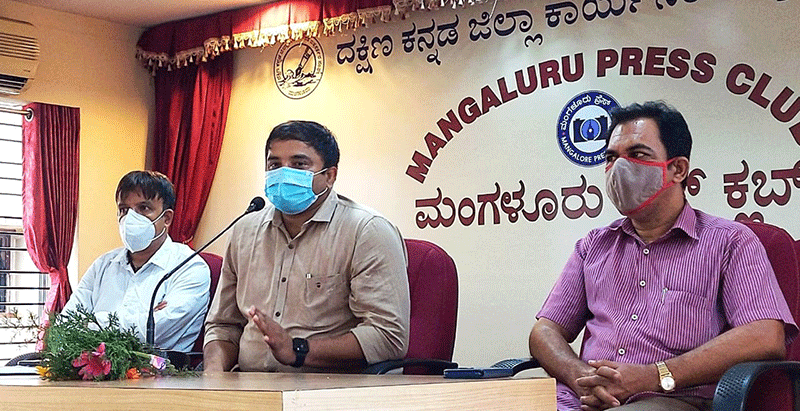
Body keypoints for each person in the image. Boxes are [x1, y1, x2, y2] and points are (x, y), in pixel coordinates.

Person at [528, 101, 797, 411]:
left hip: (670, 399)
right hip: (580, 400)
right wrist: (581, 377)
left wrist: (653, 376)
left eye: (638, 154)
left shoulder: (730, 241)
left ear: (678, 169)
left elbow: (764, 336)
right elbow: (544, 331)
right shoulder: (594, 245)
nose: (619, 168)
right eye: (611, 158)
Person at [203, 120, 410, 373]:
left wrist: (298, 350)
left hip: (329, 390)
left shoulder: (367, 231)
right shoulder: (244, 230)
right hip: (247, 388)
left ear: (330, 175)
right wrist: (213, 377)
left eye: (299, 164)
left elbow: (388, 336)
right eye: (274, 165)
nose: (283, 173)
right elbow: (223, 326)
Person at [62, 171, 210, 353]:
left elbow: (153, 334)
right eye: (124, 210)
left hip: (159, 370)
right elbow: (66, 324)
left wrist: (89, 322)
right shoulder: (103, 265)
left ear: (167, 218)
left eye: (144, 208)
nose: (131, 218)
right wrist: (144, 317)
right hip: (91, 368)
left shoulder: (190, 266)